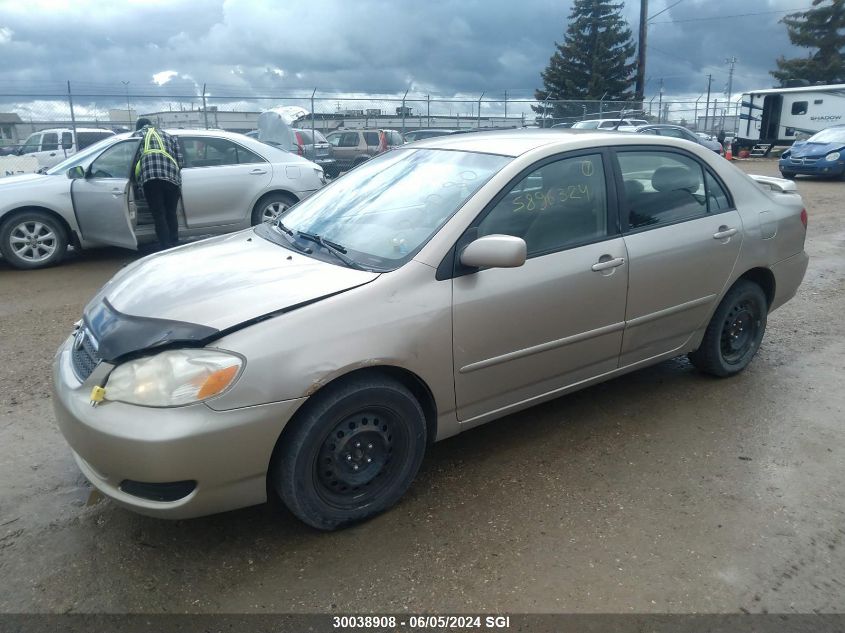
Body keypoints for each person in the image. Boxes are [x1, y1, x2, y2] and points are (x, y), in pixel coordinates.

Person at [132, 118, 184, 249]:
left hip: (150, 179)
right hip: (171, 177)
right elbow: (180, 161)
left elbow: (131, 161)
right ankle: (175, 242)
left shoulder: (136, 136)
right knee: (171, 212)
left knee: (159, 214)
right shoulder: (168, 135)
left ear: (138, 127)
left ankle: (165, 246)